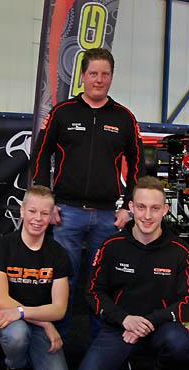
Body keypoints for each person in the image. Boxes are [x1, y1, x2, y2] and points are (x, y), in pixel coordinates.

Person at [30, 47, 143, 338]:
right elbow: (40, 155)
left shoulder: (124, 118)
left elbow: (138, 164)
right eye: (93, 73)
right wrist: (47, 203)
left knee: (102, 284)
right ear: (82, 76)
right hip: (66, 214)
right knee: (63, 281)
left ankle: (100, 346)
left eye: (105, 74)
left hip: (108, 217)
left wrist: (128, 207)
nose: (99, 80)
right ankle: (57, 344)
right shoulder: (62, 112)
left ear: (112, 77)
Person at [73, 176, 189, 370]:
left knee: (179, 343)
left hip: (161, 328)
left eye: (155, 208)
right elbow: (93, 292)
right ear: (131, 207)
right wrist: (124, 319)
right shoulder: (111, 245)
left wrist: (148, 322)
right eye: (141, 207)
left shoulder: (181, 252)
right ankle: (124, 364)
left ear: (165, 210)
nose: (147, 215)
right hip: (120, 328)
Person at [0, 185, 72, 370]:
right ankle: (15, 367)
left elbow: (59, 309)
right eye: (32, 211)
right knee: (17, 335)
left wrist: (24, 313)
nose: (38, 218)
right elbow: (1, 301)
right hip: (10, 319)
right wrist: (45, 323)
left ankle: (31, 353)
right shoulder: (2, 246)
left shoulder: (58, 254)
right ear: (22, 211)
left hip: (32, 319)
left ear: (51, 216)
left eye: (44, 213)